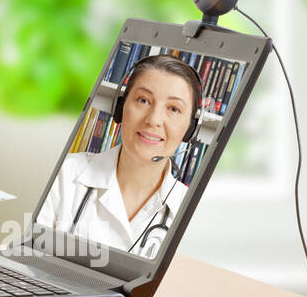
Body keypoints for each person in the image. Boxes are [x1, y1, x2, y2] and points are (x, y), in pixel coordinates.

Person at [35, 55, 201, 259]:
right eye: (143, 100)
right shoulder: (64, 174)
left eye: (174, 109)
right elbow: (25, 264)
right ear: (120, 108)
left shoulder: (191, 212)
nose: (154, 119)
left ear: (190, 130)